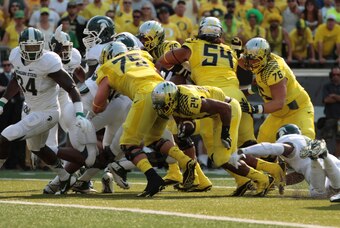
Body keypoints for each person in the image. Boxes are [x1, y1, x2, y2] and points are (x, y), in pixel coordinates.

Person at [156, 17, 261, 195]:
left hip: (216, 97)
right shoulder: (228, 50)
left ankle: (249, 179)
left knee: (216, 151)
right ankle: (269, 171)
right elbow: (244, 66)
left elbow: (164, 61)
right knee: (248, 144)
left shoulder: (193, 45)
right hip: (239, 97)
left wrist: (178, 69)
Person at [93, 42, 197, 197]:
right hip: (165, 92)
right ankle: (185, 161)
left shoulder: (107, 67)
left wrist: (103, 103)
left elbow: (97, 105)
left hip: (144, 94)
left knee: (128, 144)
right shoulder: (141, 54)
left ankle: (153, 179)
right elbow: (157, 71)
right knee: (153, 139)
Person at [0, 27, 93, 194]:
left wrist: (79, 113)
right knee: (38, 149)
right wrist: (2, 101)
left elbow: (71, 87)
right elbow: (17, 78)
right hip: (31, 109)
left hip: (47, 112)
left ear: (42, 47)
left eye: (35, 47)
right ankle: (66, 177)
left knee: (6, 136)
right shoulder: (15, 56)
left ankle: (86, 164)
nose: (32, 52)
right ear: (20, 47)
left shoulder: (49, 61)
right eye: (28, 48)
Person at [151, 81, 275, 197]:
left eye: (162, 103)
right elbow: (182, 121)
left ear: (171, 99)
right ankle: (250, 180)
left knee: (222, 158)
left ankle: (263, 179)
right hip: (215, 114)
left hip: (228, 110)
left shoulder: (188, 101)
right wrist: (184, 131)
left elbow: (225, 108)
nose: (160, 107)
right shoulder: (176, 103)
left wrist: (225, 133)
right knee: (214, 155)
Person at [238, 37, 315, 143]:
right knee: (262, 148)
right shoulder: (261, 63)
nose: (250, 63)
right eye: (248, 59)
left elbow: (279, 103)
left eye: (254, 60)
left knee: (304, 147)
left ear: (264, 57)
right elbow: (241, 61)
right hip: (277, 115)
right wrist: (234, 53)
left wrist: (253, 109)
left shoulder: (273, 69)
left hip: (296, 111)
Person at [237, 124, 340, 198]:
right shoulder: (306, 140)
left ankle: (316, 159)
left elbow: (274, 148)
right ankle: (324, 156)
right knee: (336, 187)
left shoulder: (288, 140)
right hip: (334, 162)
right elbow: (299, 176)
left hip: (313, 169)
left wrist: (244, 151)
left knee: (319, 193)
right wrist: (275, 182)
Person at [0, 59, 25, 169]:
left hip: (16, 109)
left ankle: (16, 162)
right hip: (4, 111)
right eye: (4, 65)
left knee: (17, 135)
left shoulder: (18, 75)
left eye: (8, 65)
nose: (6, 67)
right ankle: (5, 162)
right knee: (4, 135)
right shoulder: (1, 76)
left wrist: (6, 89)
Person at [320, 66, 340, 159]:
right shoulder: (327, 86)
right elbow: (326, 100)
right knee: (325, 139)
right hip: (330, 117)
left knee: (339, 140)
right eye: (334, 74)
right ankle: (326, 158)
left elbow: (330, 99)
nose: (336, 76)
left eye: (338, 74)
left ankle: (337, 159)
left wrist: (334, 96)